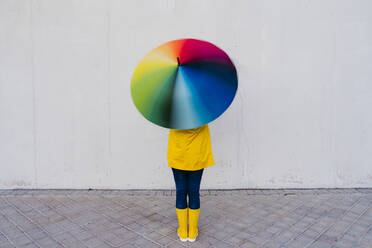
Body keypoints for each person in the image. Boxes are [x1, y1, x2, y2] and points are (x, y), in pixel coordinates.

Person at [167, 124, 215, 242]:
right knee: (194, 191)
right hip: (197, 155)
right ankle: (192, 232)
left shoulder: (174, 113)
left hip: (178, 155)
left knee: (181, 190)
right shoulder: (201, 112)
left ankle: (183, 232)